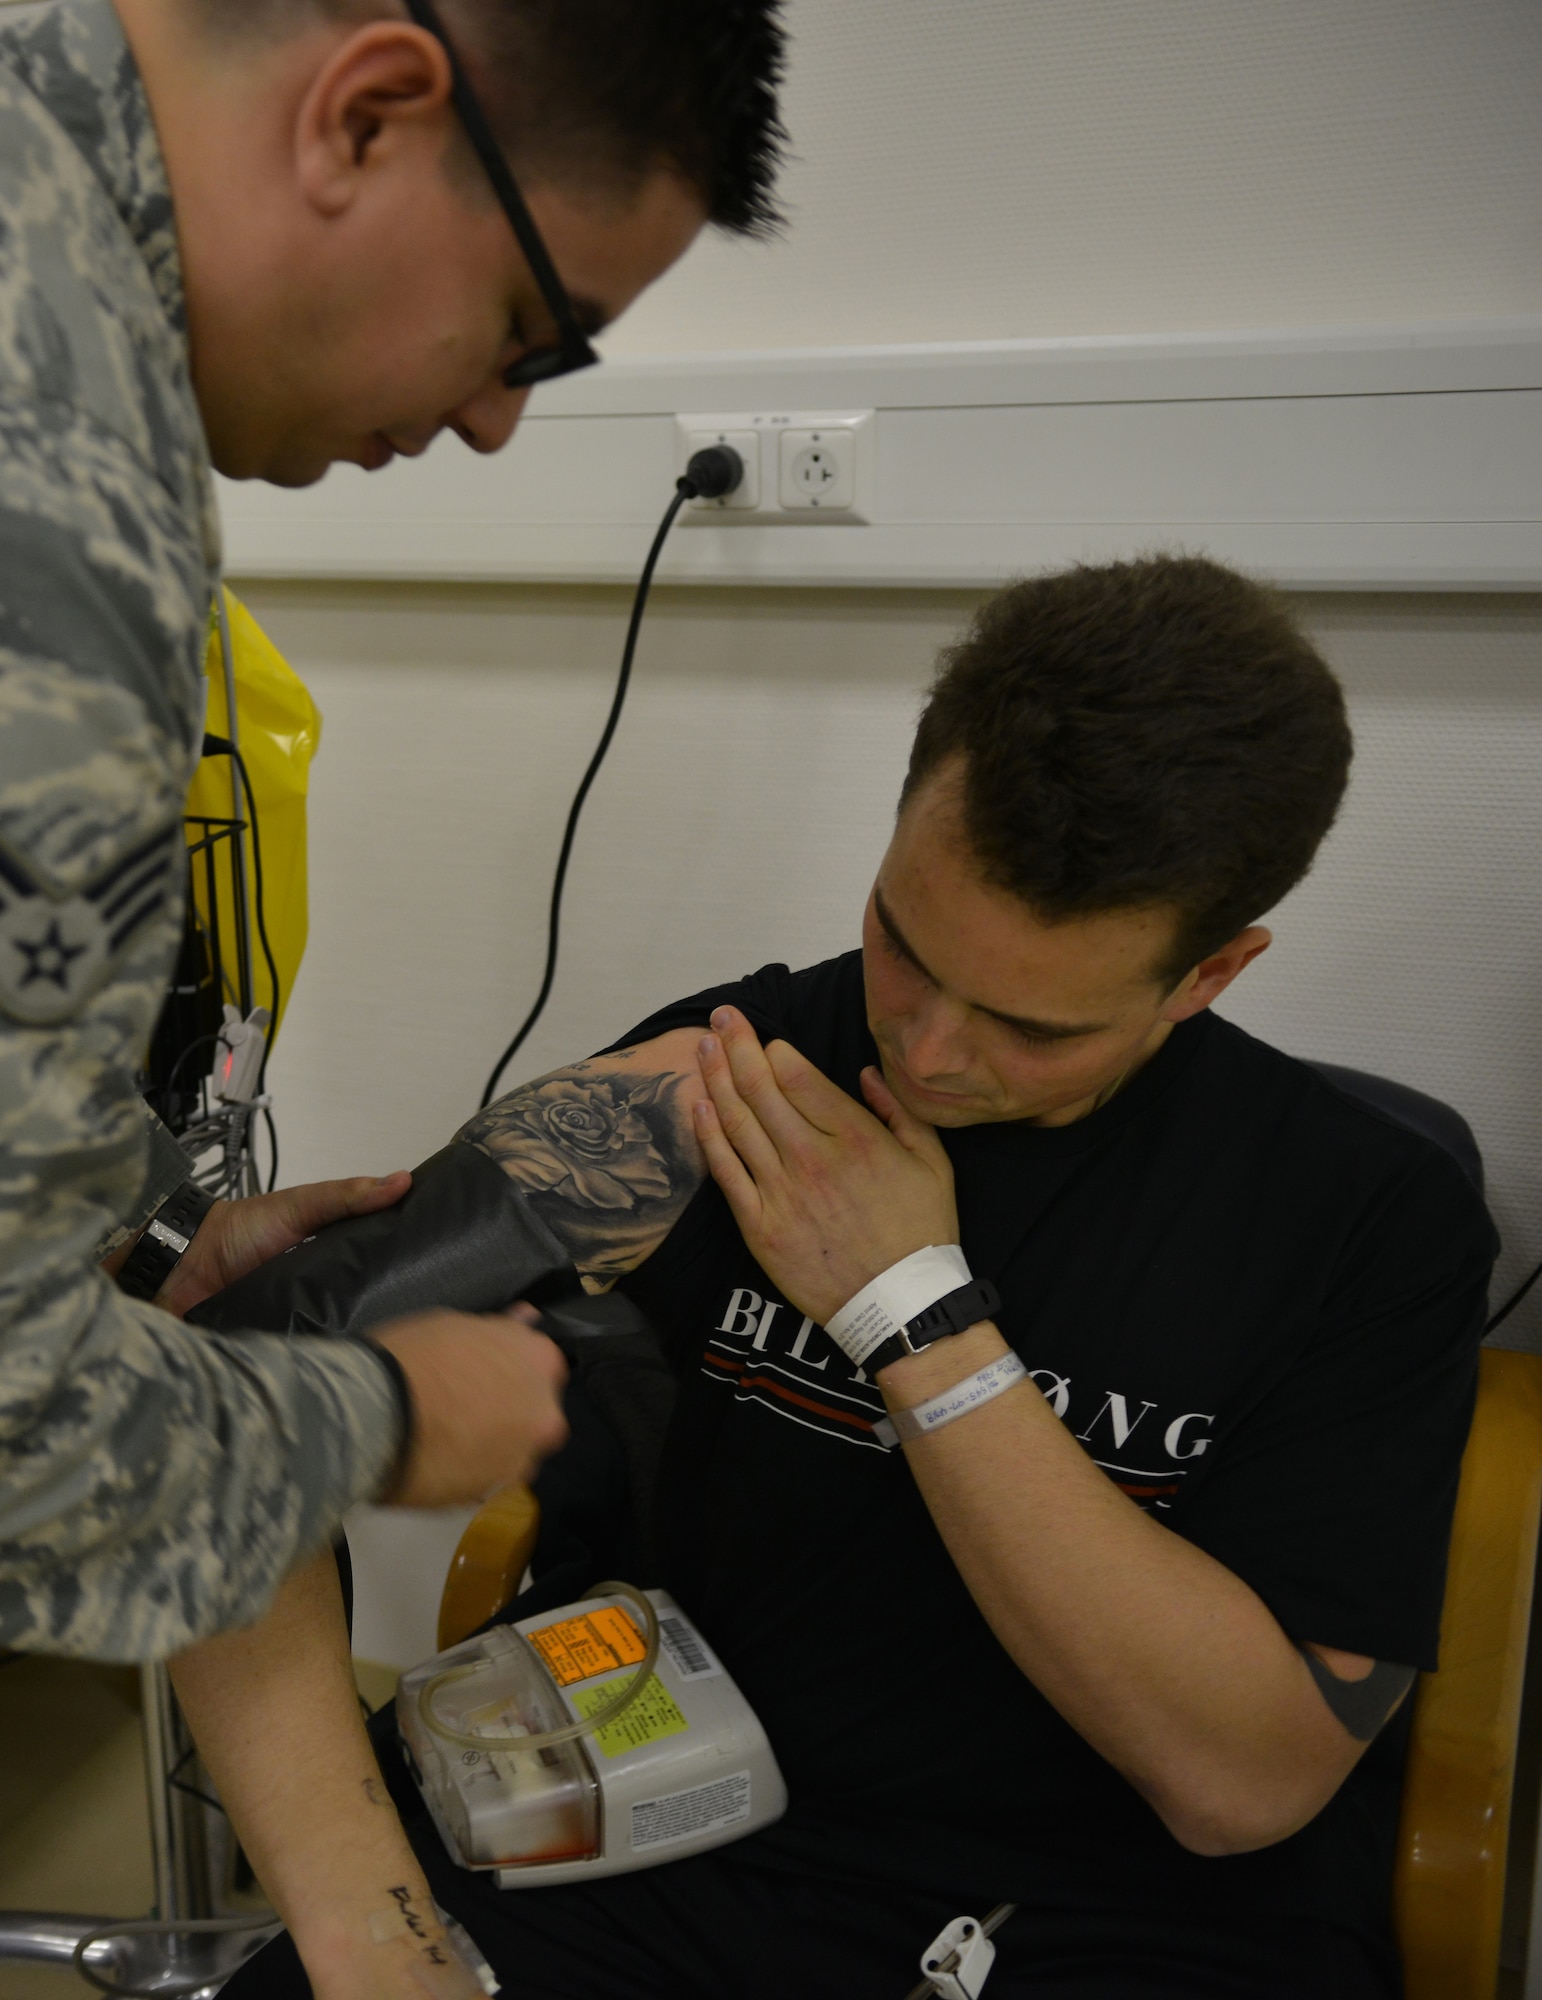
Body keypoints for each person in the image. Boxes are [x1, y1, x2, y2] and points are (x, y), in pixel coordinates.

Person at [179, 557, 1494, 1999]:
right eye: (902, 946)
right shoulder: (716, 1092)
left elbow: (1238, 1786)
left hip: (1111, 1914)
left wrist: (911, 1313)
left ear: (1208, 976)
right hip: (657, 1818)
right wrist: (369, 1932)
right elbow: (213, 1422)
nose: (925, 1055)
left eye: (1031, 1027)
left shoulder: (1360, 1218)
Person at [0, 0, 786, 1660]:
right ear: (366, 113)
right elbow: (20, 1457)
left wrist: (139, 1220)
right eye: (529, 326)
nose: (500, 419)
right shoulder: (60, 522)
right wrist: (372, 1414)